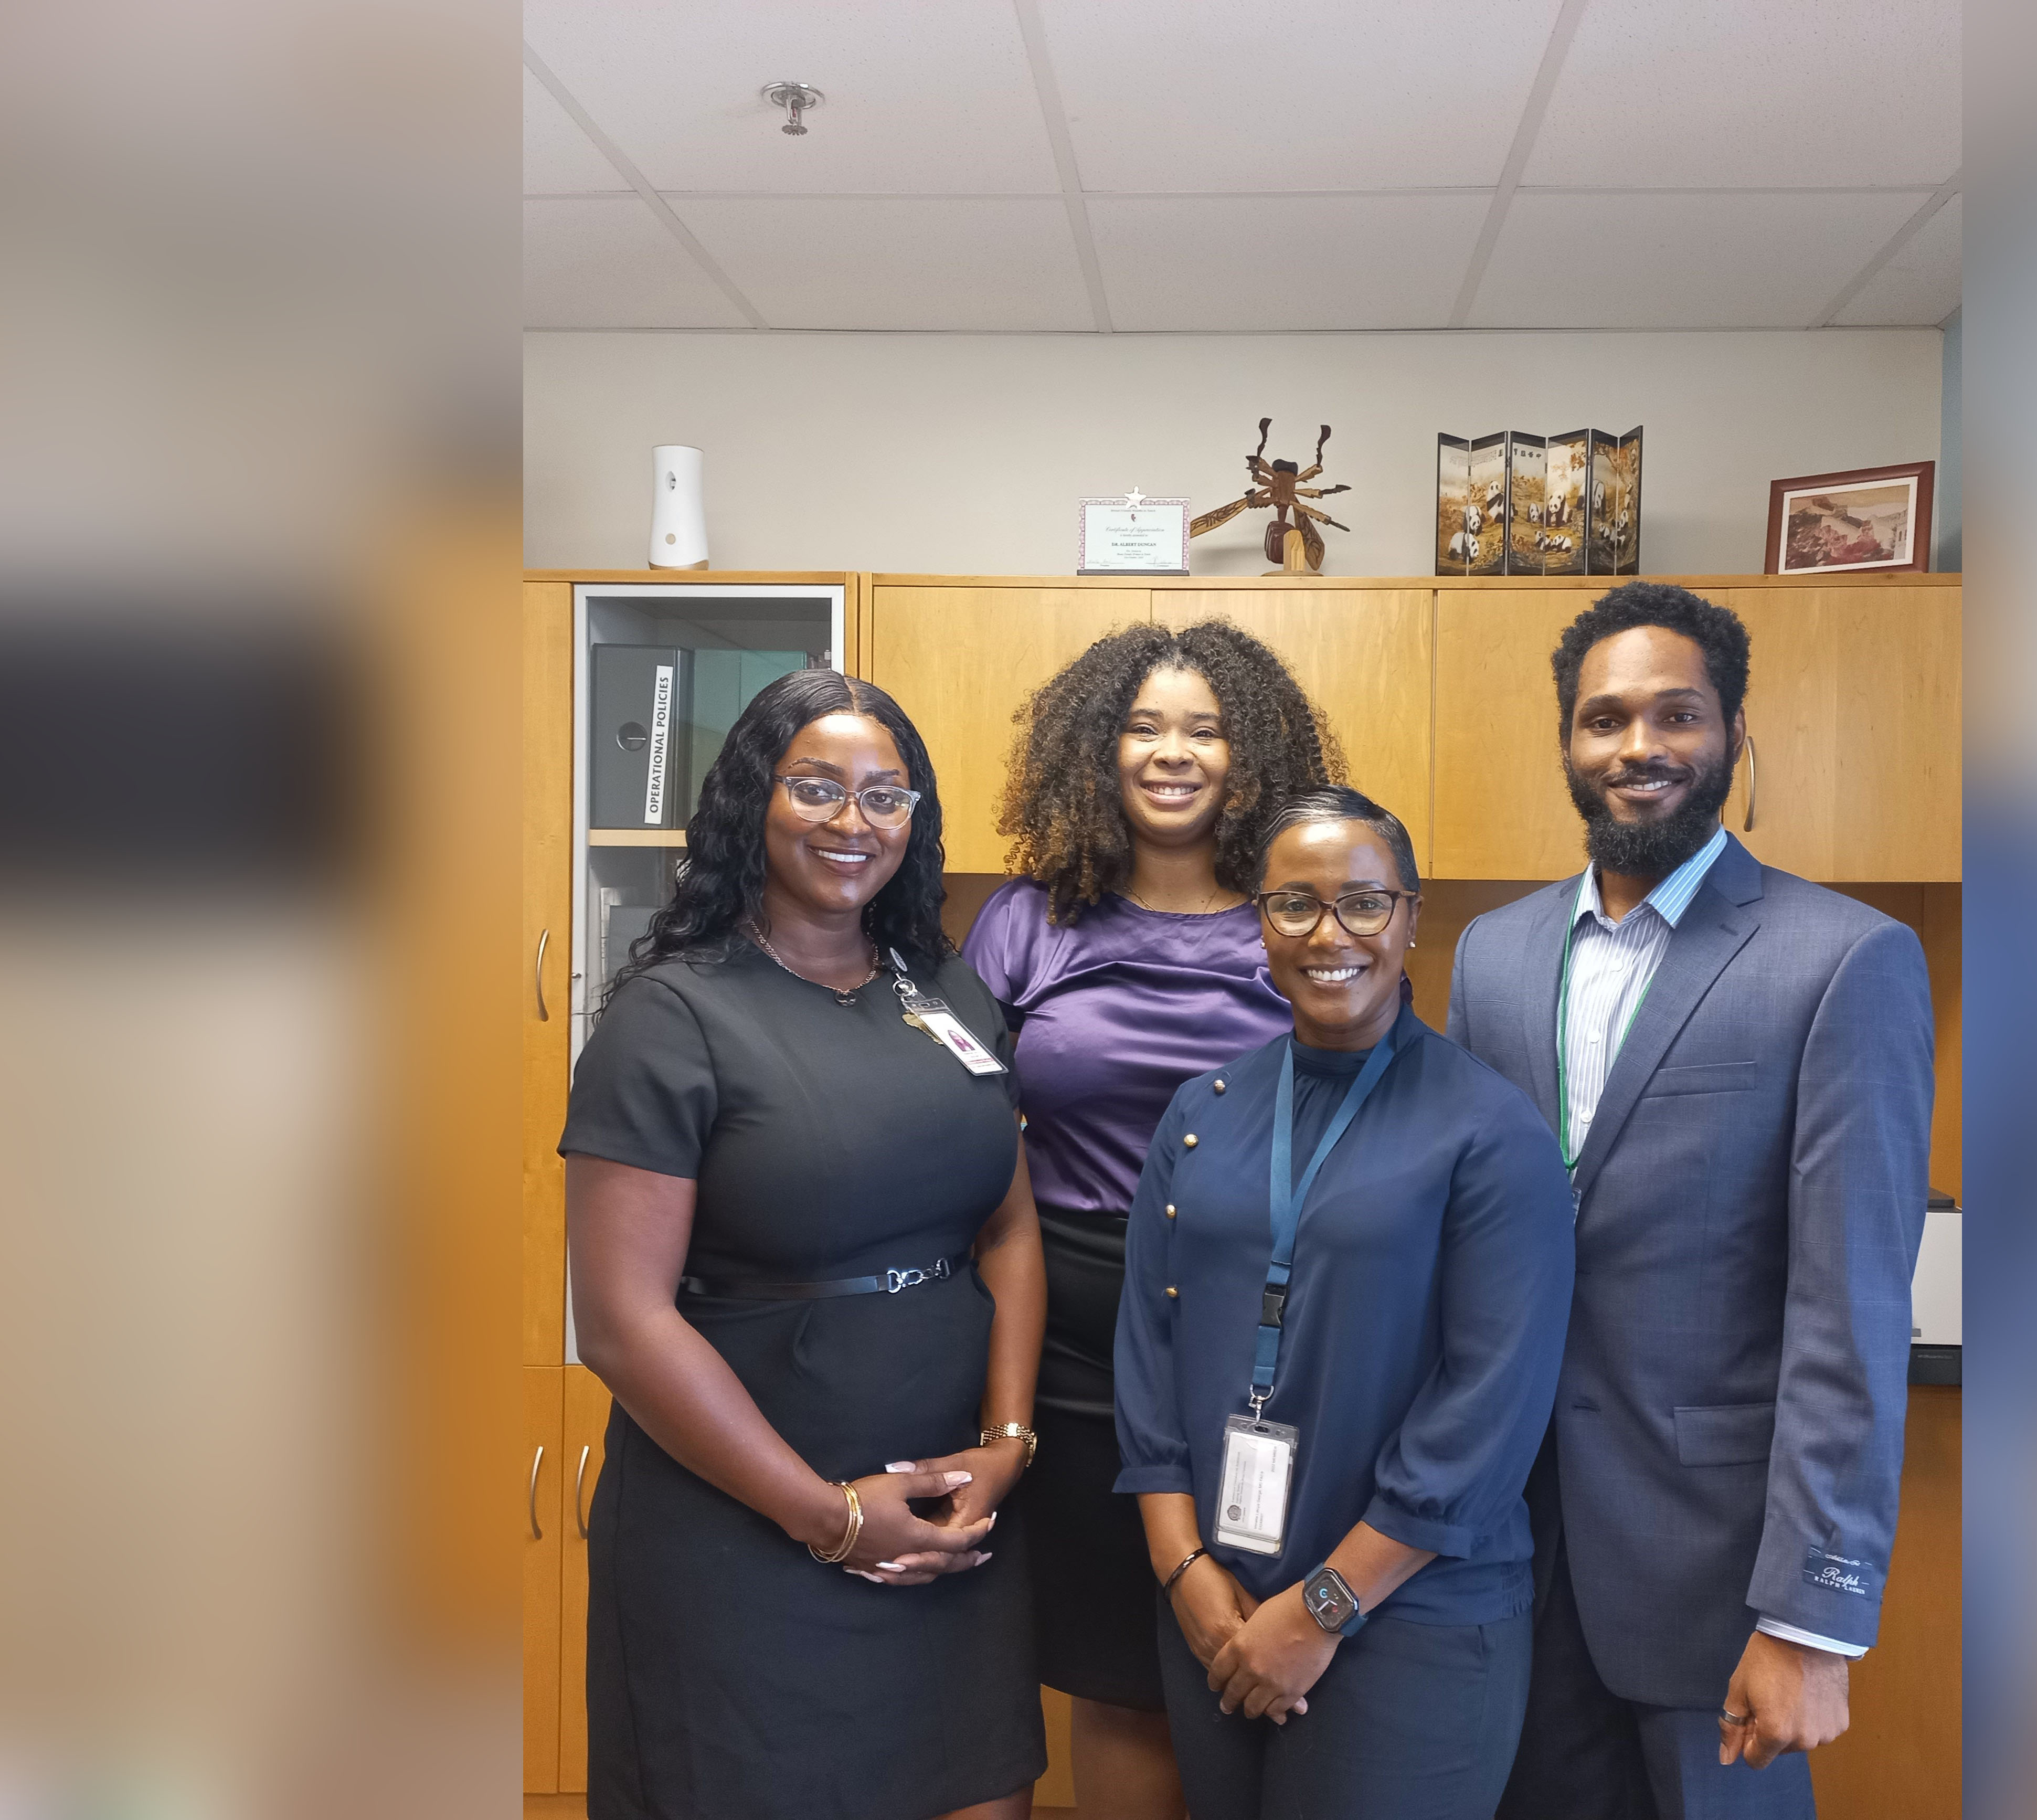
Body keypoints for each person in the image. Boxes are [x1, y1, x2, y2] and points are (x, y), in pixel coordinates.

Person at [1446, 585, 1935, 1820]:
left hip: (1714, 1575)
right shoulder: (1491, 956)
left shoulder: (1840, 958)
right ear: (1567, 743)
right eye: (1602, 719)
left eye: (1675, 715)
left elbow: (1849, 1314)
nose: (1637, 748)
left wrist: (1810, 1615)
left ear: (1730, 734)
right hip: (1502, 1552)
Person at [561, 670, 1048, 1820]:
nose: (853, 822)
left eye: (887, 795)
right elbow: (624, 1325)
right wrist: (825, 1517)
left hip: (951, 1517)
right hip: (745, 1525)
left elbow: (1008, 1220)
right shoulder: (670, 1017)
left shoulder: (943, 986)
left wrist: (1010, 1435)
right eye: (818, 788)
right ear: (753, 802)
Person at [1114, 787, 1575, 1820]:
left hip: (1408, 1620)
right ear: (1259, 923)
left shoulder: (1487, 1133)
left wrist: (1321, 1610)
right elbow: (1148, 1349)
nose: (1330, 936)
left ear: (1411, 919)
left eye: (1364, 904)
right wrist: (1182, 1569)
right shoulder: (1200, 1114)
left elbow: (1488, 1412)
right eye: (1294, 905)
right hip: (1215, 1609)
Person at [962, 621, 1336, 1820]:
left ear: (1254, 753)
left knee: (1254, 1639)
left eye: (1205, 729)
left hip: (1260, 1324)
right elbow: (960, 1136)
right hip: (1066, 1334)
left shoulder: (1294, 920)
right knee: (1121, 1674)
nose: (1172, 754)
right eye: (1143, 727)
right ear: (1094, 750)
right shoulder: (1025, 924)